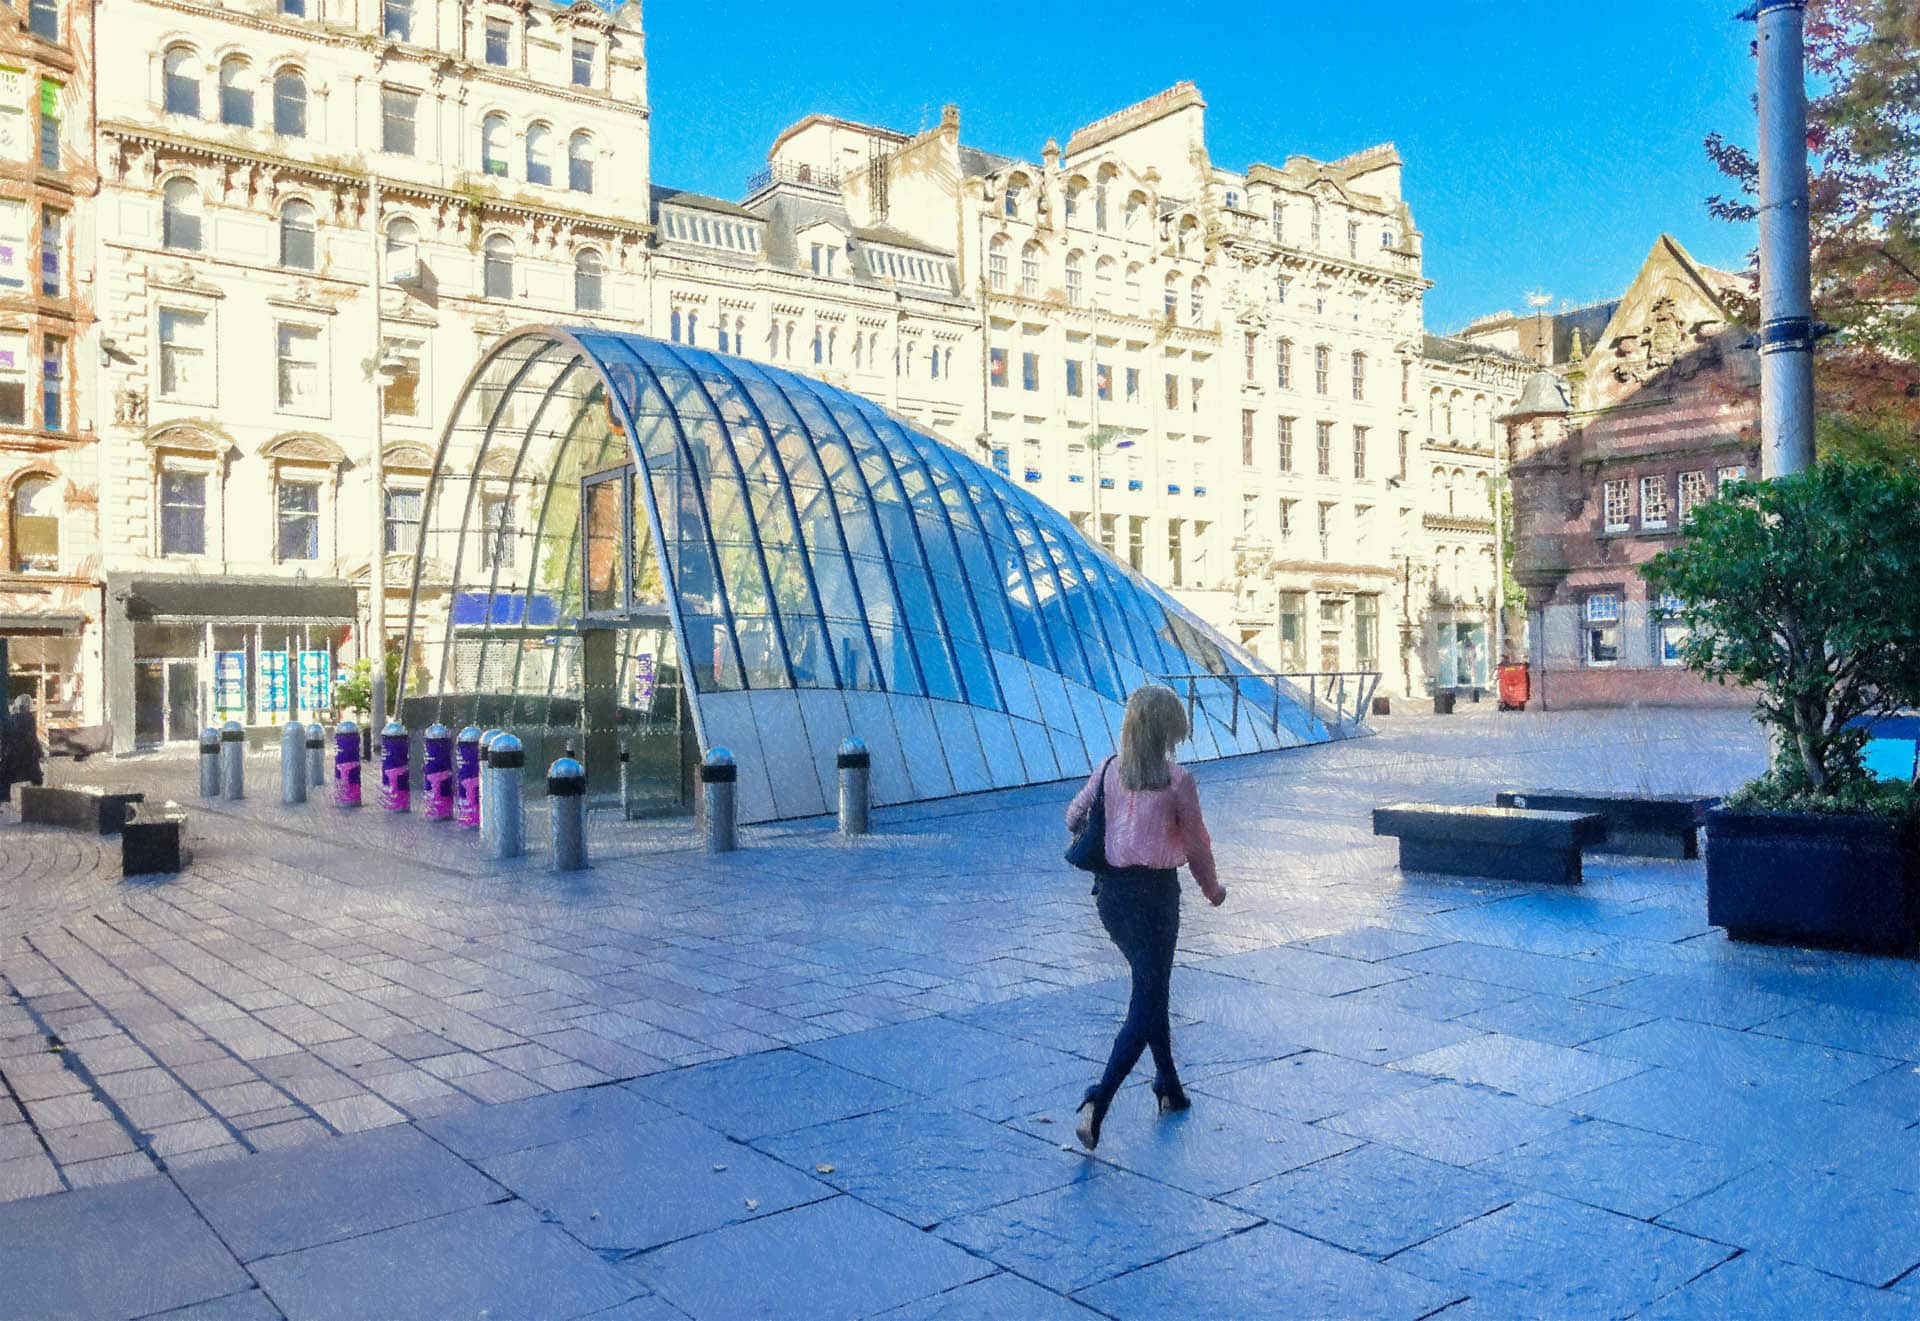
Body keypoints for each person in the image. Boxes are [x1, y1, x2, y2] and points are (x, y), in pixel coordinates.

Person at [1064, 684, 1225, 1151]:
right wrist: (1212, 891)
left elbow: (1072, 816)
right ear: (1167, 731)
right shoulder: (1178, 782)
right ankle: (1100, 1099)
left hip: (1112, 900)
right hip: (1156, 899)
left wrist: (1101, 820)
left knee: (1152, 988)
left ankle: (1168, 1084)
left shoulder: (1108, 770)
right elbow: (1197, 845)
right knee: (1147, 998)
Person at [6, 695, 44, 793]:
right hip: (28, 755)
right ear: (28, 706)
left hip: (13, 756)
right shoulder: (29, 719)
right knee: (35, 784)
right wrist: (40, 753)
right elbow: (32, 739)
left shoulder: (11, 719)